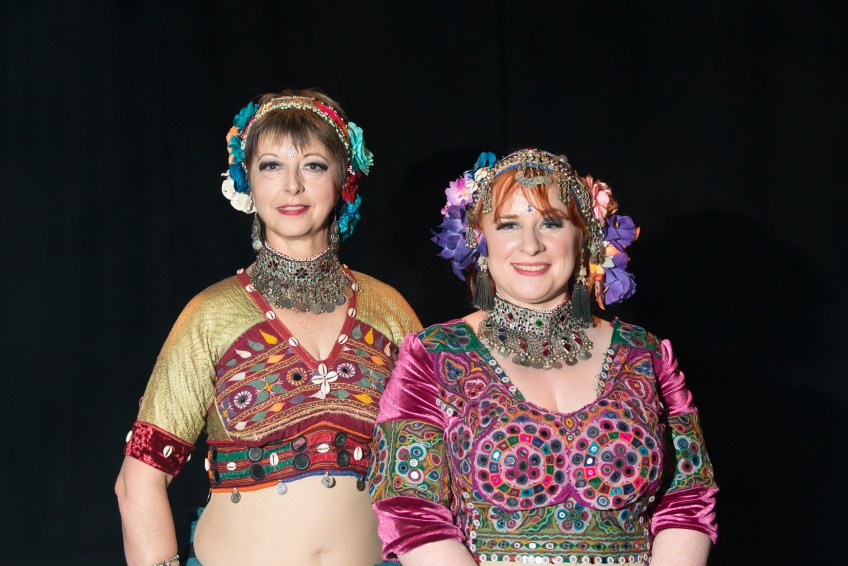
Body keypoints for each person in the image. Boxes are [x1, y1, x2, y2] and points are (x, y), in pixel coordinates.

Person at [115, 89, 421, 566]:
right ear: (248, 181)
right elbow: (139, 479)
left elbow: (432, 470)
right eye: (272, 166)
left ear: (345, 178)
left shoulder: (389, 310)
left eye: (313, 165)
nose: (292, 186)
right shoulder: (212, 315)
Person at [369, 149, 717, 565]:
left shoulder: (645, 356)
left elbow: (687, 498)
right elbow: (411, 510)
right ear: (479, 239)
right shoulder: (434, 356)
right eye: (509, 225)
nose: (531, 244)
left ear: (584, 236)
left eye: (551, 223)